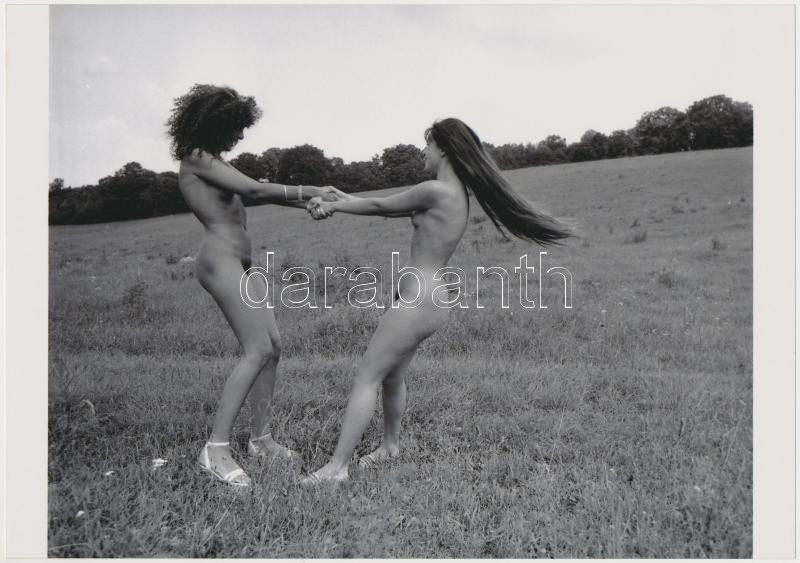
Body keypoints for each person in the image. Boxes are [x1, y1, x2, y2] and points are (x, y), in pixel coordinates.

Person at [302, 117, 573, 484]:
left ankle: (337, 468)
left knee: (367, 377)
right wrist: (336, 198)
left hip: (420, 299)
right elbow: (386, 207)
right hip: (426, 297)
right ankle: (390, 447)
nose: (423, 152)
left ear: (443, 148)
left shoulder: (435, 190)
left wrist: (334, 206)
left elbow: (380, 205)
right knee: (392, 376)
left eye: (427, 145)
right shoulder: (451, 193)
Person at [166, 84, 343, 487]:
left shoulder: (215, 162)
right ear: (216, 123)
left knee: (272, 347)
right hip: (219, 260)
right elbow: (253, 189)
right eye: (236, 127)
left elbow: (257, 191)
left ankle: (260, 440)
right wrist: (313, 189)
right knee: (257, 349)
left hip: (239, 263)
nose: (241, 134)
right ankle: (214, 450)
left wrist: (308, 203)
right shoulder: (196, 157)